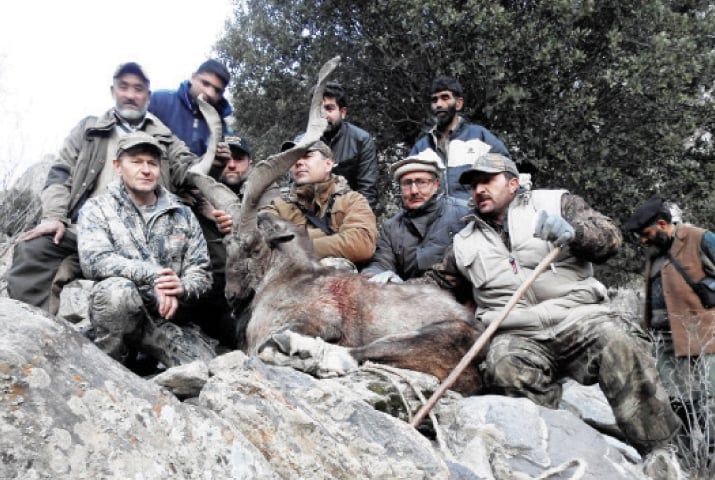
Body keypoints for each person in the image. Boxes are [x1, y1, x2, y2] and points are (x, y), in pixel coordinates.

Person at [426, 153, 680, 455]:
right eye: (473, 185)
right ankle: (558, 453)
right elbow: (437, 285)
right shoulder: (463, 241)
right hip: (519, 335)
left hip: (579, 317)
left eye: (487, 180)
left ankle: (662, 453)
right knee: (503, 365)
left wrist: (576, 235)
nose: (479, 189)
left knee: (618, 341)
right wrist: (389, 286)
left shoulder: (556, 202)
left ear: (512, 183)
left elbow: (610, 238)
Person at [7, 62, 202, 314]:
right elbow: (60, 173)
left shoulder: (165, 137)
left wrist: (214, 164)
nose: (130, 95)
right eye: (124, 87)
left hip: (147, 237)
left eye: (138, 89)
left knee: (192, 266)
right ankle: (32, 333)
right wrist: (54, 217)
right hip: (85, 231)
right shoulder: (87, 129)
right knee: (34, 250)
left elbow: (191, 172)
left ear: (148, 96)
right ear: (113, 91)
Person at [77, 132, 215, 368]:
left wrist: (182, 287)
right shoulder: (96, 208)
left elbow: (201, 272)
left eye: (152, 163)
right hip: (121, 311)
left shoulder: (182, 213)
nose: (146, 170)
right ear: (118, 167)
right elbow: (95, 260)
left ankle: (149, 359)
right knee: (116, 293)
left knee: (205, 370)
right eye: (136, 162)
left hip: (168, 318)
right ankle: (108, 366)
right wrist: (155, 276)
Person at [625, 194, 715, 443]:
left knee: (709, 401)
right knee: (677, 403)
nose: (643, 240)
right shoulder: (655, 254)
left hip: (703, 336)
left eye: (646, 233)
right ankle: (687, 459)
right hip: (665, 341)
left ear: (662, 224)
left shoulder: (699, 238)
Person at [189, 135, 279, 348]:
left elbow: (266, 225)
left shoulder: (264, 188)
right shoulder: (201, 190)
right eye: (225, 159)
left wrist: (219, 215)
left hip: (250, 287)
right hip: (207, 284)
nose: (230, 164)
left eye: (238, 159)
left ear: (250, 164)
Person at [362, 149, 469, 283]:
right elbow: (381, 263)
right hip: (410, 298)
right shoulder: (391, 228)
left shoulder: (464, 214)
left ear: (436, 185)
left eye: (421, 182)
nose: (414, 191)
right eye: (407, 183)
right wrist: (375, 276)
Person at [262, 141, 377, 265]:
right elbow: (261, 243)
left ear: (328, 164)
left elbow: (361, 244)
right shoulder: (277, 206)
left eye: (307, 156)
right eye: (294, 157)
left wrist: (299, 245)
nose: (298, 162)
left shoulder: (352, 200)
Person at [410, 76, 510, 202]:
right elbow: (409, 188)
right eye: (434, 100)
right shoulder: (421, 148)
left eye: (445, 97)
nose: (439, 104)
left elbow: (507, 176)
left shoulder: (480, 138)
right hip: (434, 220)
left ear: (458, 104)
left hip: (473, 218)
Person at [293, 81, 378, 208]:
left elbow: (368, 191)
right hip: (307, 214)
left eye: (329, 108)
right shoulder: (300, 142)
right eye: (318, 109)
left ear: (342, 112)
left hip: (349, 214)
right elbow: (293, 187)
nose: (323, 115)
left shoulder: (361, 140)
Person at [149, 59, 233, 157]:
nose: (210, 93)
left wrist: (219, 163)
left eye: (217, 90)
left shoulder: (221, 127)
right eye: (205, 84)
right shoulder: (159, 101)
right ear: (193, 77)